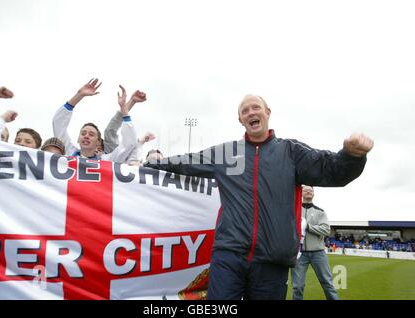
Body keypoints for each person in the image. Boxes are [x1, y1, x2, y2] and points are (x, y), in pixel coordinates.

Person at [145, 94, 373, 300]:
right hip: (229, 256)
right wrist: (147, 165)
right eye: (245, 110)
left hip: (272, 262)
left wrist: (352, 156)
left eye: (256, 107)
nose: (251, 112)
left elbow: (331, 170)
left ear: (267, 113)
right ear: (240, 120)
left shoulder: (291, 152)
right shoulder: (226, 153)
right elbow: (185, 162)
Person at [52, 79, 137, 162]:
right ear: (78, 139)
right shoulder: (69, 153)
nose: (86, 136)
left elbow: (128, 143)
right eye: (83, 133)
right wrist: (79, 95)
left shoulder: (108, 161)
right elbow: (58, 123)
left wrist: (123, 108)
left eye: (91, 134)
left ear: (98, 142)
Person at [291, 186, 339, 300]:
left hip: (318, 253)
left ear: (313, 194)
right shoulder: (294, 210)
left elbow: (326, 229)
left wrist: (307, 226)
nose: (308, 191)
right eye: (305, 190)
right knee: (297, 286)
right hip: (299, 254)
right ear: (301, 193)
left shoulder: (320, 212)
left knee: (328, 283)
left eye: (311, 190)